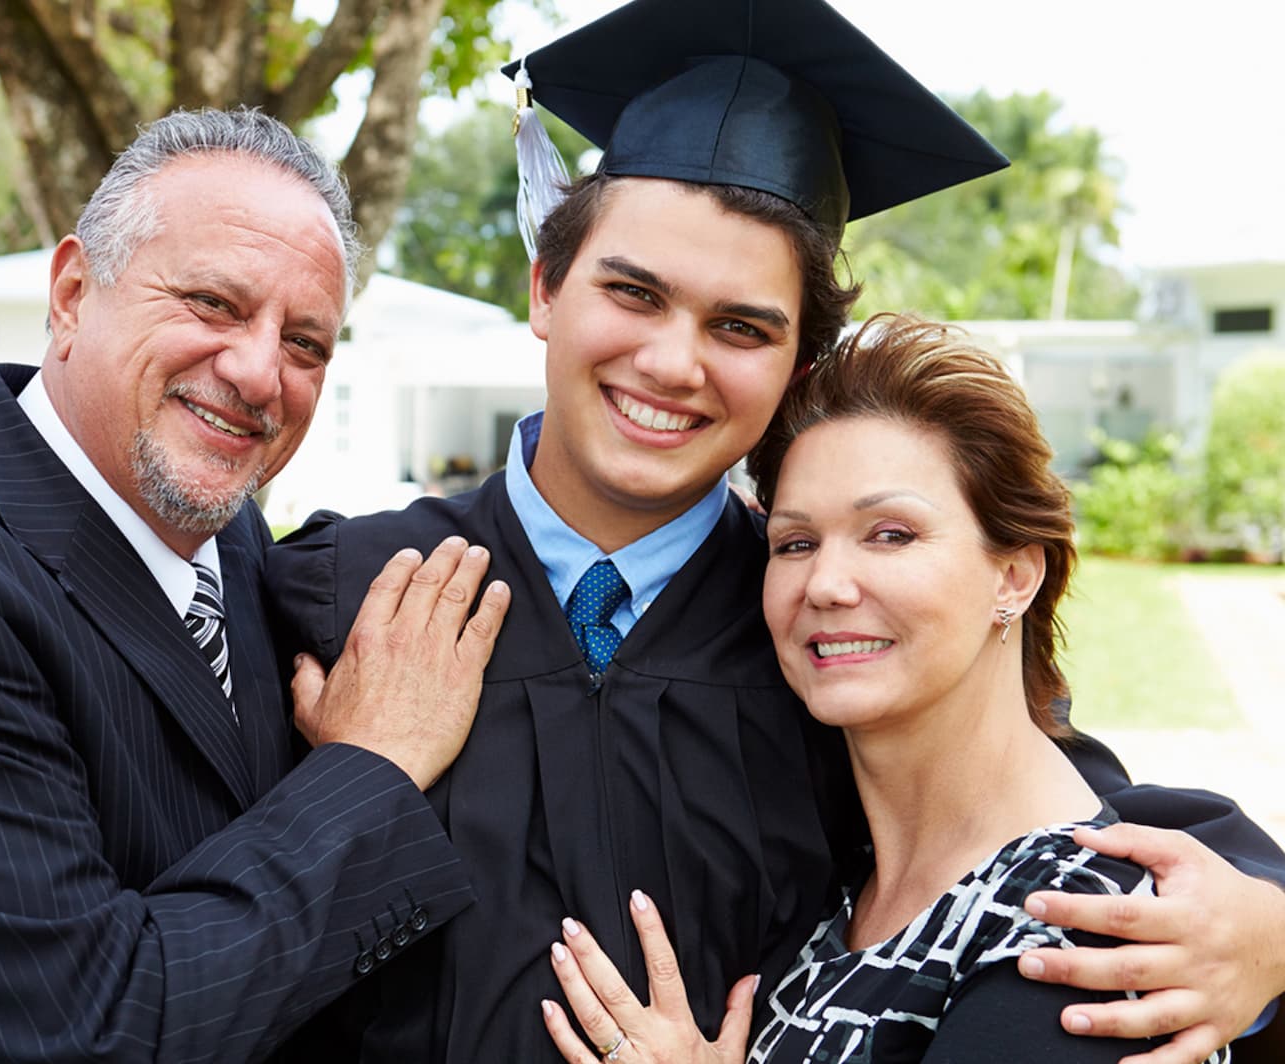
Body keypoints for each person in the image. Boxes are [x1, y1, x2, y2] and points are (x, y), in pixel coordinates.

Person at [265, 0, 1285, 1060]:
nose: (672, 362)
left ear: (796, 366)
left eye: (740, 326)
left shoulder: (828, 635)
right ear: (546, 288)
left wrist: (1268, 920)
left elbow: (1044, 804)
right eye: (633, 293)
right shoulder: (342, 593)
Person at [0, 107, 512, 1063]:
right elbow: (99, 1031)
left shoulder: (225, 528)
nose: (260, 372)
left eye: (306, 343)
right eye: (212, 303)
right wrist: (372, 768)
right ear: (71, 293)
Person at [539, 315, 1281, 1062]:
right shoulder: (843, 868)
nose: (825, 584)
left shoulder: (1079, 933)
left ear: (1014, 576)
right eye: (795, 543)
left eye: (891, 534)